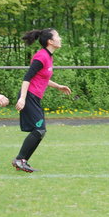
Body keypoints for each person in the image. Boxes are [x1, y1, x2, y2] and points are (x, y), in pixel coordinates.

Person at [12, 28, 71, 172]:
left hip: (34, 97)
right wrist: (22, 98)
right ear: (50, 41)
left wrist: (58, 86)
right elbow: (27, 77)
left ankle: (22, 160)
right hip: (29, 96)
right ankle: (20, 159)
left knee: (40, 130)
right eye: (58, 36)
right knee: (39, 130)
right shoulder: (41, 57)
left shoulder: (48, 56)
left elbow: (43, 77)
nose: (60, 38)